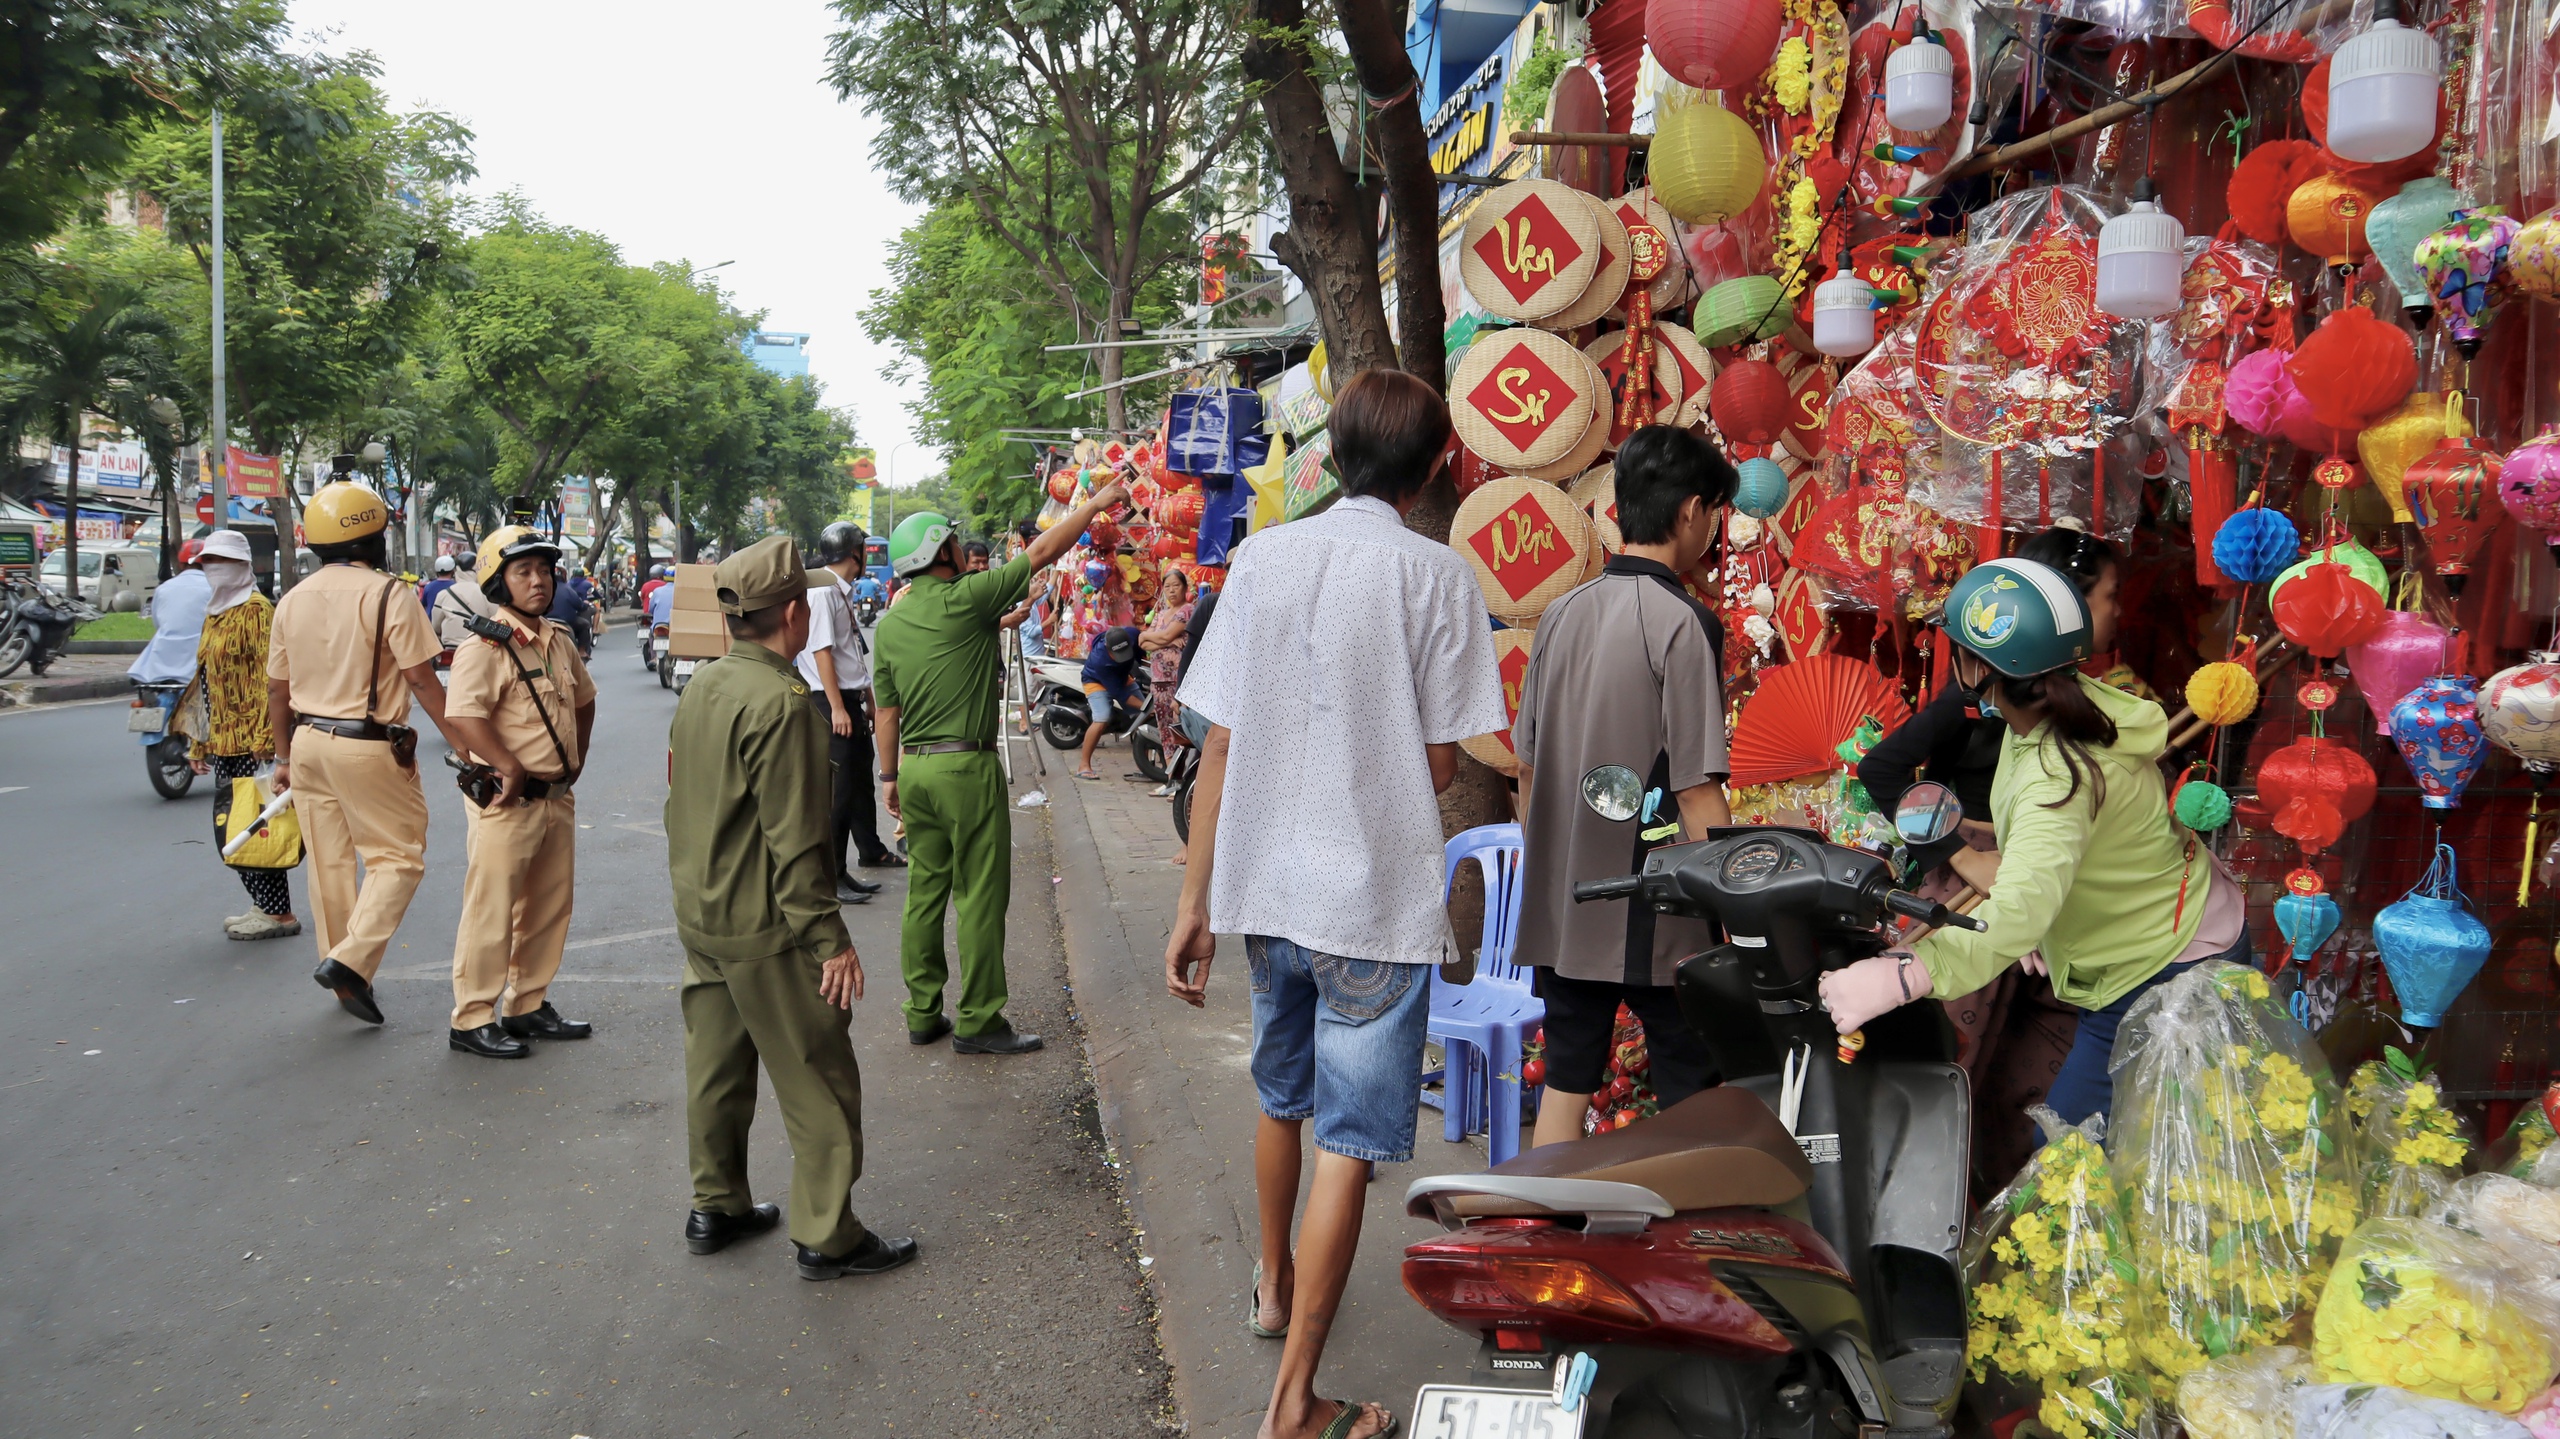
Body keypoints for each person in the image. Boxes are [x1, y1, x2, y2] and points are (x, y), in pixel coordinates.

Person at [1165, 368, 1507, 1439]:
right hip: (1371, 899)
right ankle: (1294, 1401)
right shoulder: (1437, 576)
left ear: (1337, 453)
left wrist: (1194, 900)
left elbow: (1219, 740)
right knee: (1347, 1145)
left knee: (1280, 1101)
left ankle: (1272, 1290)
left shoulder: (1262, 557)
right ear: (1434, 466)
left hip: (1265, 889)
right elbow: (1443, 758)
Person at [1817, 556, 2250, 1132]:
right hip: (2156, 936)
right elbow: (2074, 853)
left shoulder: (2056, 776)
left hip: (2166, 967)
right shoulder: (2069, 713)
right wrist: (2046, 904)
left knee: (2088, 1162)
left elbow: (2019, 911)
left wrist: (1902, 975)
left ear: (1979, 666)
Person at [666, 535, 919, 1281]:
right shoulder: (782, 703)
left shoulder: (706, 684)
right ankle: (828, 1234)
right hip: (767, 924)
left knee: (716, 1067)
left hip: (704, 912)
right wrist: (829, 940)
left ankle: (716, 1204)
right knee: (818, 1075)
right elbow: (799, 841)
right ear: (790, 614)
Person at [1512, 425, 1737, 1149]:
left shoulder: (1559, 613)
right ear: (1692, 511)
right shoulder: (1685, 622)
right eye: (1715, 514)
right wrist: (1739, 905)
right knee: (1690, 1093)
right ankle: (1686, 1221)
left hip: (1566, 906)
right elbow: (1696, 793)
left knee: (1566, 1080)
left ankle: (1541, 1214)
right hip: (1658, 911)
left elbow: (1527, 768)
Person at [872, 479, 1128, 1052]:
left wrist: (889, 777)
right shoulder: (967, 596)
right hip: (965, 769)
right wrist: (1093, 504)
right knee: (980, 897)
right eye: (953, 542)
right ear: (942, 552)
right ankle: (980, 1020)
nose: (961, 548)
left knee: (924, 893)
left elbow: (886, 713)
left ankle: (922, 1012)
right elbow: (1042, 551)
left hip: (914, 770)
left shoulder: (891, 625)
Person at [267, 475, 467, 1027]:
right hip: (366, 743)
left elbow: (278, 691)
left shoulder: (291, 599)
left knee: (329, 864)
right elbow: (422, 682)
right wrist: (466, 746)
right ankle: (350, 961)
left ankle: (345, 976)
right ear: (374, 539)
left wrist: (282, 759)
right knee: (397, 858)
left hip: (307, 744)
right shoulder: (389, 594)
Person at [1857, 521, 2125, 894]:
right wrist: (1963, 857)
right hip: (1988, 869)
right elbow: (1880, 768)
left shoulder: (2093, 691)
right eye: (2111, 596)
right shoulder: (1983, 692)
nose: (2118, 611)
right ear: (2069, 604)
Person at [440, 526, 599, 1059]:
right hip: (508, 802)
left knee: (549, 909)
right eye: (523, 572)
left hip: (555, 797)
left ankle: (527, 1004)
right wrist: (505, 763)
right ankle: (471, 1018)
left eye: (545, 571)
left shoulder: (559, 639)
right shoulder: (484, 647)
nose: (539, 581)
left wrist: (576, 761)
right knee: (491, 911)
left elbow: (585, 701)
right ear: (498, 582)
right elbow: (463, 715)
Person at [181, 531, 302, 941]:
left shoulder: (257, 612)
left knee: (256, 825)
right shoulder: (215, 614)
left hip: (254, 743)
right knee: (235, 826)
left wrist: (271, 743)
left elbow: (275, 680)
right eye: (206, 562)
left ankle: (278, 913)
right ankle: (265, 905)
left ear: (244, 566)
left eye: (221, 561)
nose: (212, 569)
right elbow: (206, 681)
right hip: (224, 740)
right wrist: (199, 742)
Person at [798, 521, 899, 903]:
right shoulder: (823, 592)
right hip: (830, 702)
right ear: (855, 553)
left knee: (858, 781)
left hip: (848, 699)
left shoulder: (841, 590)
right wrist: (839, 708)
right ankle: (832, 876)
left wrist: (867, 697)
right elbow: (821, 651)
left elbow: (851, 651)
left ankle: (865, 852)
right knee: (838, 795)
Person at [1140, 570, 1194, 768]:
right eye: (1167, 586)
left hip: (1177, 679)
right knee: (1164, 729)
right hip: (1158, 680)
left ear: (1185, 588)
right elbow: (1143, 642)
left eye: (1176, 586)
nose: (1171, 590)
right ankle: (1170, 775)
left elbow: (1161, 636)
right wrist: (1168, 641)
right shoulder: (1161, 614)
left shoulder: (1187, 610)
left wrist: (1158, 638)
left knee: (1179, 728)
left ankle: (1182, 774)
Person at [1074, 625, 1142, 781]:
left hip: (1122, 677)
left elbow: (1141, 654)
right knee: (1102, 718)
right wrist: (1146, 707)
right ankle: (1083, 766)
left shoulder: (1132, 634)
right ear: (1107, 647)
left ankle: (1144, 767)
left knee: (1143, 717)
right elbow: (1121, 694)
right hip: (1095, 681)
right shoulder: (1100, 659)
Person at [432, 565, 497, 652]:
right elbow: (496, 618)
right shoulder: (486, 593)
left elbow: (435, 626)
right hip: (479, 647)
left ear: (456, 572)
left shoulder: (443, 594)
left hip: (451, 647)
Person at [547, 562, 593, 659]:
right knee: (585, 625)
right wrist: (585, 604)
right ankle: (581, 651)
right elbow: (580, 606)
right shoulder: (568, 589)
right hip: (566, 622)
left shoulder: (542, 588)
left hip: (544, 621)